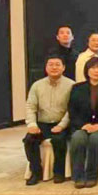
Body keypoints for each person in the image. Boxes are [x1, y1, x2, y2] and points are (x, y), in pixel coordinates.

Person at [23, 54, 74, 185]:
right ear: (46, 67)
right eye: (50, 65)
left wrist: (62, 125)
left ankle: (59, 173)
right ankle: (36, 172)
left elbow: (72, 109)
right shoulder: (37, 85)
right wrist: (32, 124)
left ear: (63, 67)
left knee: (59, 140)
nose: (54, 67)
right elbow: (30, 106)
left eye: (57, 64)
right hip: (42, 123)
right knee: (29, 140)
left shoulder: (71, 85)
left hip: (63, 123)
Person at [67, 57, 98, 189]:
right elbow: (72, 110)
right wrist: (83, 125)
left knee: (96, 138)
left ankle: (91, 176)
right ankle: (78, 176)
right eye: (93, 68)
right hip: (82, 126)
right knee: (78, 138)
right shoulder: (77, 88)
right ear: (87, 70)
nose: (97, 71)